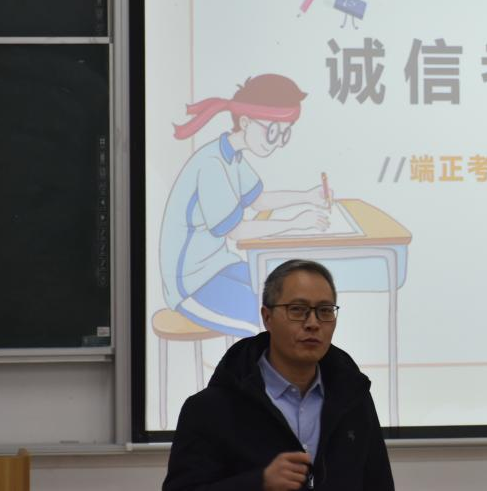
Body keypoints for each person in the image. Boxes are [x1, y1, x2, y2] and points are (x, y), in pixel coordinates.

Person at [163, 259, 395, 491]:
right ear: (267, 318)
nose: (313, 323)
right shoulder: (210, 409)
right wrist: (258, 483)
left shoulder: (352, 399)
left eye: (325, 311)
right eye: (298, 310)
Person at [160, 74, 330, 338]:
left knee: (281, 295)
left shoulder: (233, 157)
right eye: (272, 132)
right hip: (191, 284)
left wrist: (307, 197)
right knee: (264, 316)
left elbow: (259, 200)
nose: (276, 143)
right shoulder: (212, 164)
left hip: (218, 267)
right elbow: (237, 231)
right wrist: (295, 223)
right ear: (246, 122)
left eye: (283, 134)